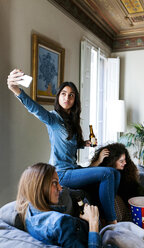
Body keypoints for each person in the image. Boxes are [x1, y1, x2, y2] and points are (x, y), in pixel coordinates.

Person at [7, 69, 120, 225]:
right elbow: (34, 108)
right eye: (63, 94)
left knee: (115, 173)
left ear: (75, 100)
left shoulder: (72, 120)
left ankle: (104, 211)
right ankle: (111, 222)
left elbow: (70, 143)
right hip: (62, 173)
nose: (67, 97)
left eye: (71, 95)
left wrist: (83, 143)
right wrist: (16, 90)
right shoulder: (53, 118)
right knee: (107, 173)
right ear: (58, 96)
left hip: (74, 168)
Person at [16, 162, 101, 247]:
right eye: (54, 182)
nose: (60, 188)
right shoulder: (62, 223)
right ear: (39, 188)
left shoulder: (28, 210)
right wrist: (93, 222)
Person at [90, 143, 144, 212]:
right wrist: (99, 161)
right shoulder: (103, 174)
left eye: (125, 160)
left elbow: (134, 188)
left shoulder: (126, 172)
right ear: (112, 162)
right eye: (121, 161)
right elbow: (88, 173)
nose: (125, 163)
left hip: (133, 197)